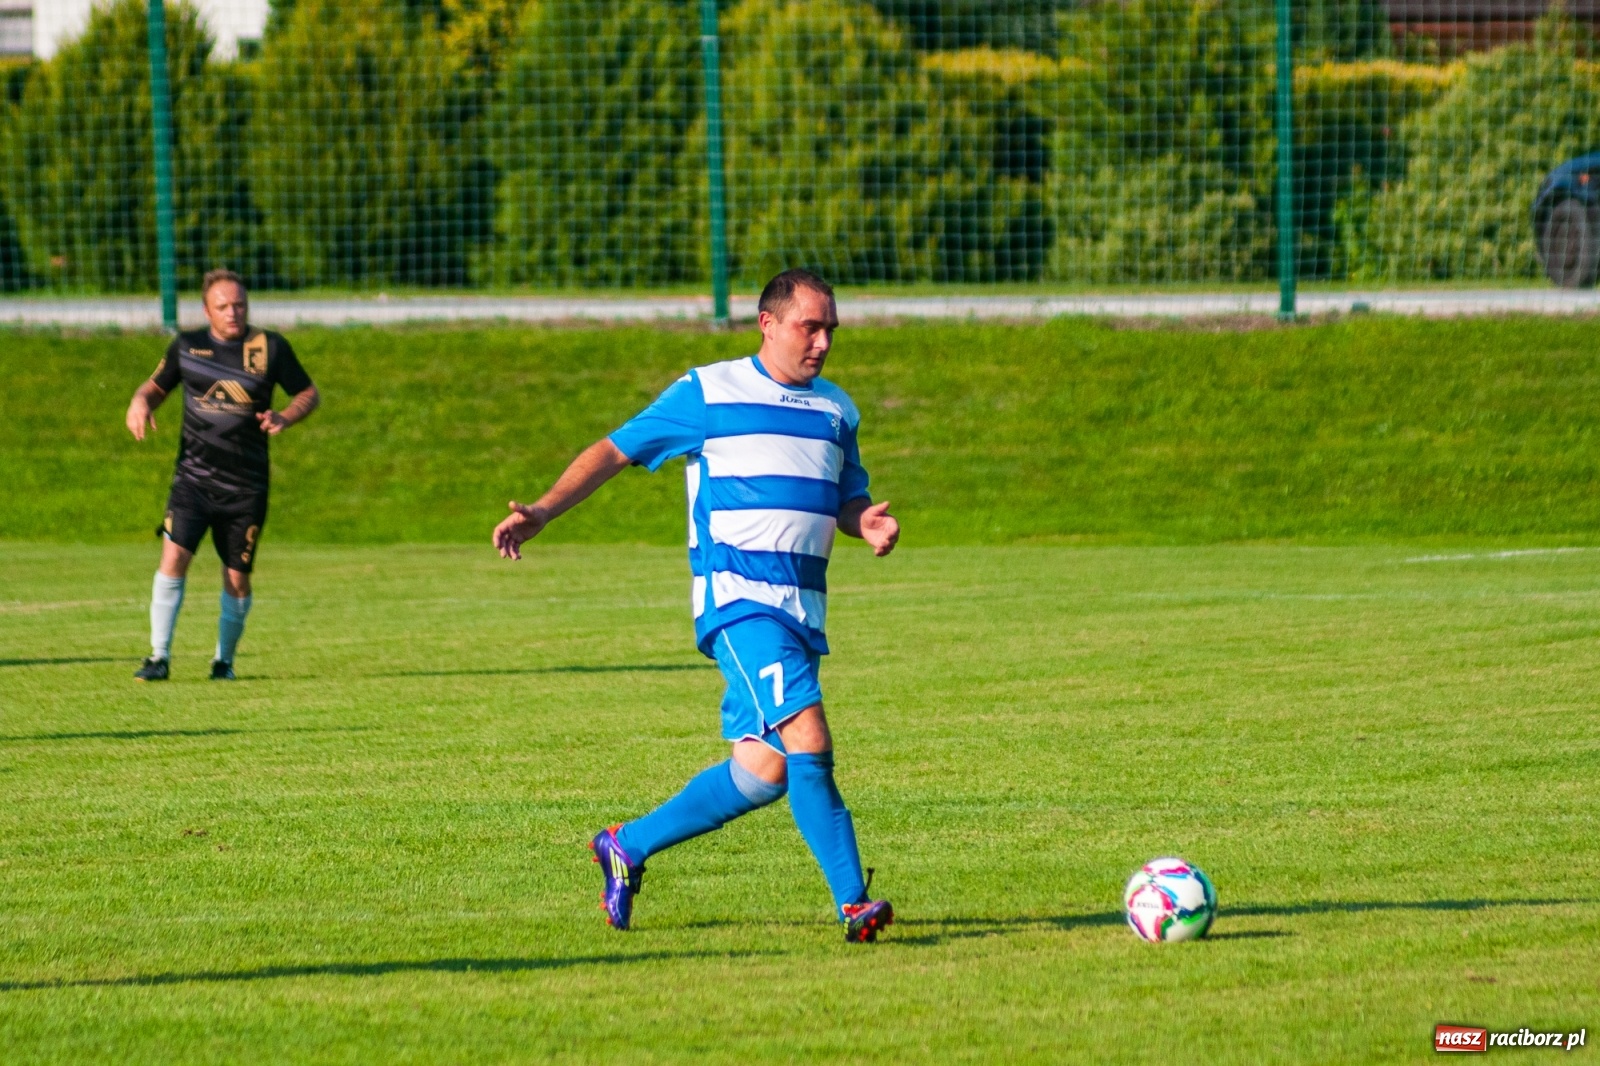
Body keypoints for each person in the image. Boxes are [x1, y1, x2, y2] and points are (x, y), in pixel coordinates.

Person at [493, 269, 900, 943]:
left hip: (801, 611)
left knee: (765, 769)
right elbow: (612, 451)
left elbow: (845, 498)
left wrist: (867, 523)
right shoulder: (707, 391)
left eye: (831, 329)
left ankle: (627, 845)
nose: (824, 342)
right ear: (767, 324)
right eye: (810, 327)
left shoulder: (837, 410)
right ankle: (854, 902)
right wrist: (540, 510)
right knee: (809, 738)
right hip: (740, 602)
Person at [124, 269, 320, 681]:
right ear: (205, 310)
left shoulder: (269, 347)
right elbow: (154, 388)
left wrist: (286, 416)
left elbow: (308, 392)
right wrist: (140, 403)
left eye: (240, 305)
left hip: (246, 487)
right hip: (193, 480)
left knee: (237, 577)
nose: (233, 313)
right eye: (224, 307)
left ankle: (223, 662)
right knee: (174, 556)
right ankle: (158, 657)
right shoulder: (188, 347)